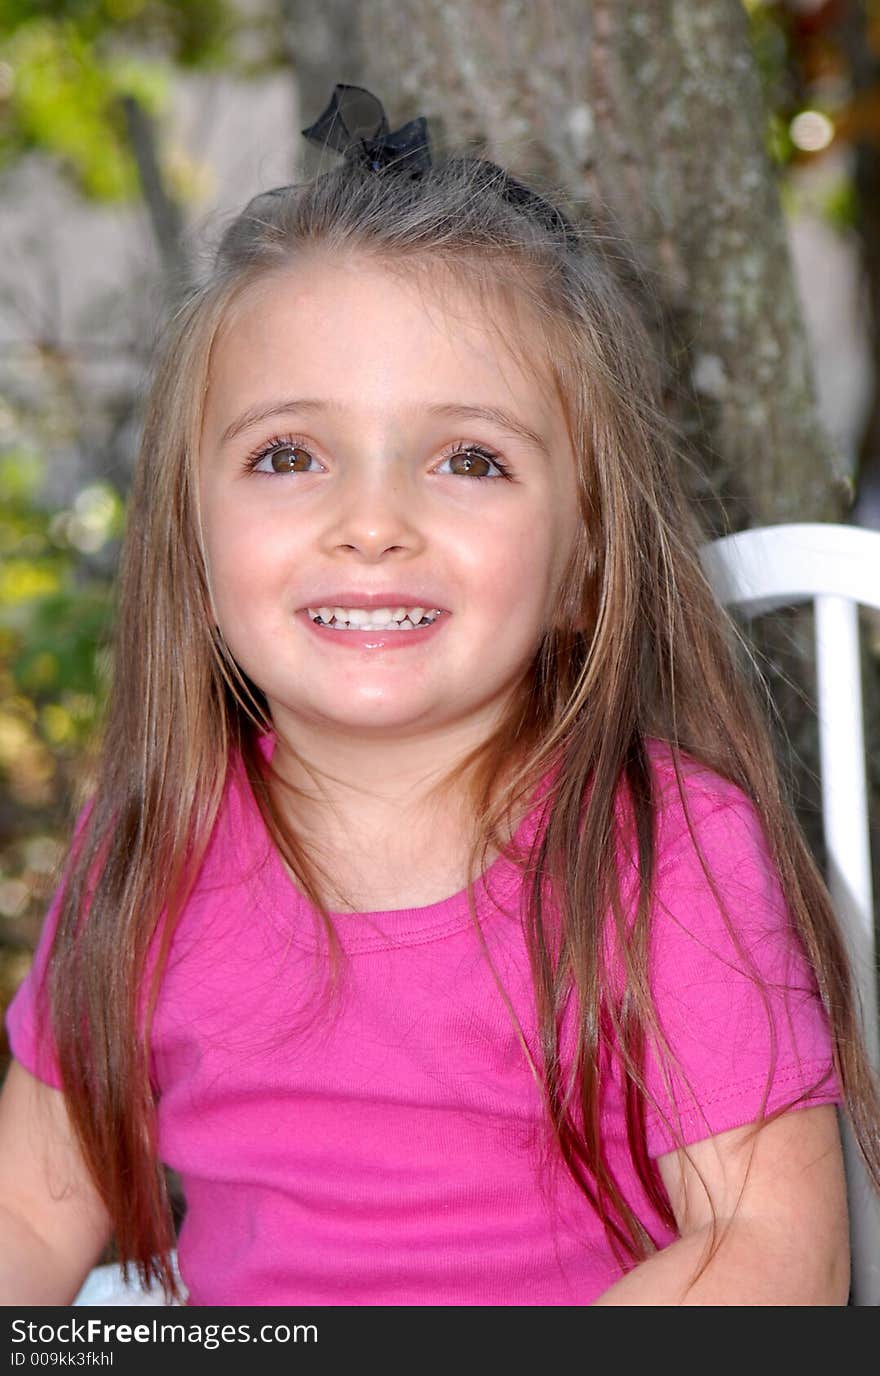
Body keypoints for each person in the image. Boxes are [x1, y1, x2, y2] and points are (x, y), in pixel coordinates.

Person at [1, 83, 877, 1308]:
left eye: (469, 459)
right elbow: (33, 1207)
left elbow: (774, 1255)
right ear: (192, 554)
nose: (371, 523)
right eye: (287, 455)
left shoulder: (662, 850)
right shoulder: (152, 841)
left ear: (583, 563)